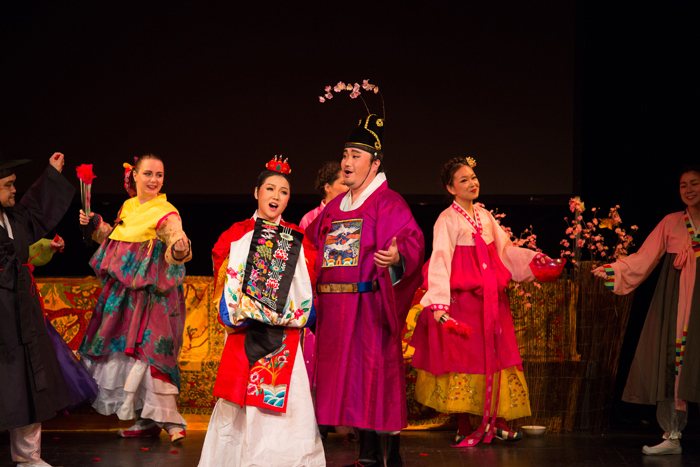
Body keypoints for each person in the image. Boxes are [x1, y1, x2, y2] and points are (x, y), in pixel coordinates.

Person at [306, 114, 425, 467]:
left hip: (368, 306)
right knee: (347, 382)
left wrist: (397, 257)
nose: (346, 161)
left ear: (375, 164)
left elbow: (413, 240)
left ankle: (383, 455)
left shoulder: (388, 204)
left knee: (373, 376)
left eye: (356, 155)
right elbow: (313, 247)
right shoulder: (333, 209)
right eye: (345, 154)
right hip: (335, 308)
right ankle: (365, 453)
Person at [411, 157, 550, 447]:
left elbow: (505, 252)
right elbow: (440, 260)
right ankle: (464, 425)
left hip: (492, 303)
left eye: (473, 177)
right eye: (464, 180)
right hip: (465, 303)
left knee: (498, 357)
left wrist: (534, 263)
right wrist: (439, 304)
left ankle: (497, 423)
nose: (472, 183)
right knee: (465, 361)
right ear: (451, 188)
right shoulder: (447, 220)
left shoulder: (485, 217)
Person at [198, 156, 325, 467]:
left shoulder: (297, 239)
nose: (276, 196)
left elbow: (308, 283)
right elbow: (223, 273)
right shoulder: (238, 234)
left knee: (285, 398)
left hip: (284, 336)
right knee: (240, 400)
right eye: (270, 188)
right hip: (245, 332)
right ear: (256, 192)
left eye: (283, 192)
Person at [78, 154, 192, 442]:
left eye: (159, 175)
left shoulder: (166, 211)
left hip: (155, 295)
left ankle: (170, 420)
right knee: (130, 356)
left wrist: (179, 245)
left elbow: (176, 241)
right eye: (149, 174)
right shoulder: (129, 207)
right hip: (127, 296)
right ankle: (146, 421)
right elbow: (117, 238)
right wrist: (95, 223)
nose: (154, 180)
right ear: (136, 177)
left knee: (151, 353)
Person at [592, 164, 700, 456]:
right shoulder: (671, 222)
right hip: (677, 299)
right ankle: (673, 434)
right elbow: (645, 257)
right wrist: (614, 270)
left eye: (694, 184)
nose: (689, 190)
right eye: (683, 185)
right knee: (673, 362)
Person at [0, 151, 75, 467]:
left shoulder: (13, 216)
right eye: (8, 185)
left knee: (27, 380)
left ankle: (28, 456)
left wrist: (52, 174)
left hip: (19, 310)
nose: (14, 190)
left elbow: (34, 209)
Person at [29, 236, 99, 411]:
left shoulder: (14, 220)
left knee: (45, 346)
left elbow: (25, 248)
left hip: (22, 295)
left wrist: (47, 245)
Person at [299, 161, 348, 231]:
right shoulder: (310, 219)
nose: (349, 188)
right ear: (328, 187)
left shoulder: (351, 214)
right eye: (344, 184)